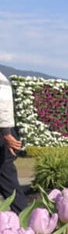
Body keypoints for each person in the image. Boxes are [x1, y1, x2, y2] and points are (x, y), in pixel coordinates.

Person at [0, 72, 27, 213]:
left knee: (6, 176)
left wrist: (6, 133)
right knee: (6, 178)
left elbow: (2, 103)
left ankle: (25, 218)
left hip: (3, 135)